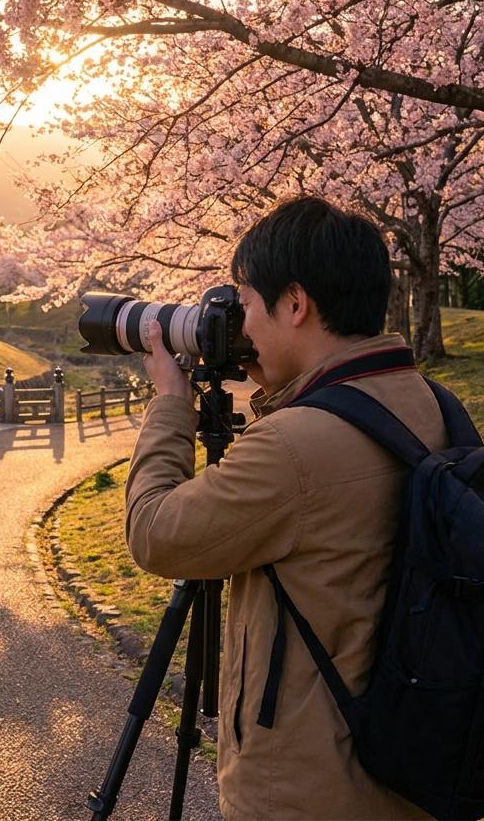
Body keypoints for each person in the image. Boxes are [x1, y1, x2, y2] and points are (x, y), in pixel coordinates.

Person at [125, 197, 439, 820]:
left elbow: (154, 531)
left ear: (295, 305)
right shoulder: (432, 404)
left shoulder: (295, 447)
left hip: (302, 792)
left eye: (244, 304)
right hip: (411, 774)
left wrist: (170, 403)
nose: (241, 325)